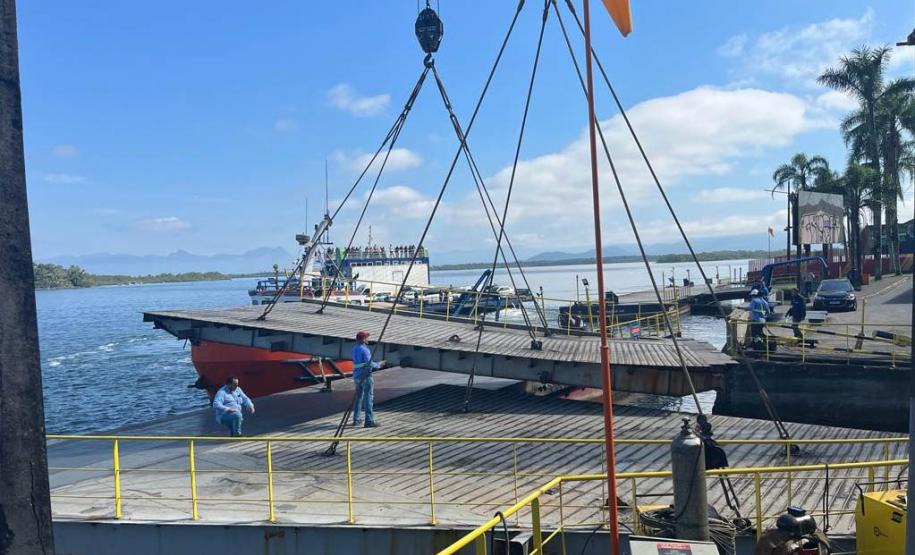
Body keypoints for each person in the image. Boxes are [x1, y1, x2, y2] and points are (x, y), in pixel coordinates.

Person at [351, 331, 385, 427]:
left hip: (356, 375)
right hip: (365, 376)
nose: (368, 339)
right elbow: (369, 363)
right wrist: (378, 364)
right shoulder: (365, 350)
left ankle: (356, 419)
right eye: (367, 338)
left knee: (358, 398)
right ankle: (369, 421)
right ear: (363, 339)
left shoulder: (354, 348)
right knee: (368, 398)